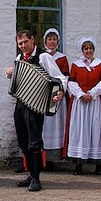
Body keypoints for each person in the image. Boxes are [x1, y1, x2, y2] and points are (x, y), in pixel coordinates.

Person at [6, 29, 66, 192]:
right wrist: (10, 73)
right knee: (23, 140)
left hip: (36, 106)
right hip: (21, 104)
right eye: (20, 44)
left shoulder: (43, 57)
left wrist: (59, 92)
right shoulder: (19, 58)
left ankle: (36, 178)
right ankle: (31, 174)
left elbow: (60, 78)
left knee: (34, 141)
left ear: (33, 40)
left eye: (26, 42)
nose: (23, 46)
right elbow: (17, 80)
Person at [65, 37, 101, 175]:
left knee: (96, 130)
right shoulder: (76, 65)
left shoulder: (100, 64)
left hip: (96, 102)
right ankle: (78, 165)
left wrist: (92, 93)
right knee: (80, 130)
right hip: (80, 103)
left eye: (90, 48)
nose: (88, 51)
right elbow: (71, 82)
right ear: (82, 51)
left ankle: (98, 165)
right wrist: (81, 94)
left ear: (93, 50)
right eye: (85, 49)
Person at [40, 28, 70, 169]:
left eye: (54, 39)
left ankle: (53, 158)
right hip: (42, 95)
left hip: (56, 94)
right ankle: (40, 157)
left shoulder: (62, 58)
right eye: (49, 39)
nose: (52, 42)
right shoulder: (41, 56)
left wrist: (62, 91)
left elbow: (65, 76)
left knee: (55, 126)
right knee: (42, 126)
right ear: (45, 41)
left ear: (58, 41)